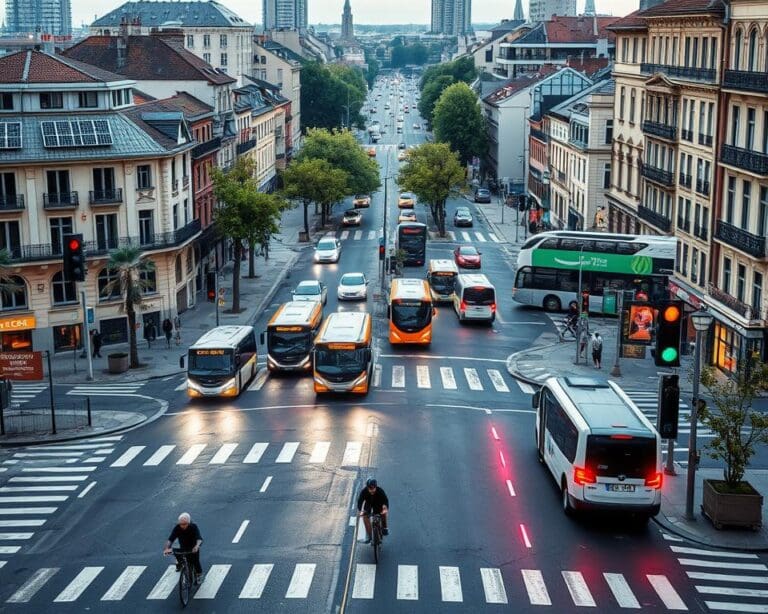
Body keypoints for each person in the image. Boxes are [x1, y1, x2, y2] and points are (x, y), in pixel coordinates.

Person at [163, 512, 204, 584]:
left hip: (193, 548)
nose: (182, 526)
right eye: (181, 524)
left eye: (185, 524)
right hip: (183, 547)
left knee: (195, 561)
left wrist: (197, 546)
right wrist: (166, 548)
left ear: (189, 522)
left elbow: (199, 538)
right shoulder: (177, 528)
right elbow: (170, 539)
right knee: (175, 552)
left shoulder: (193, 527)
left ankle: (199, 575)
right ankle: (179, 564)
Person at [357, 478, 389, 544]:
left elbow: (386, 500)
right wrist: (360, 510)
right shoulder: (364, 491)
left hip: (378, 505)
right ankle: (370, 537)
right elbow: (360, 501)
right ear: (367, 488)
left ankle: (385, 528)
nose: (372, 490)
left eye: (373, 488)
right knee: (364, 517)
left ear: (376, 486)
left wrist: (385, 508)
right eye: (370, 489)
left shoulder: (380, 491)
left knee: (383, 513)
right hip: (368, 505)